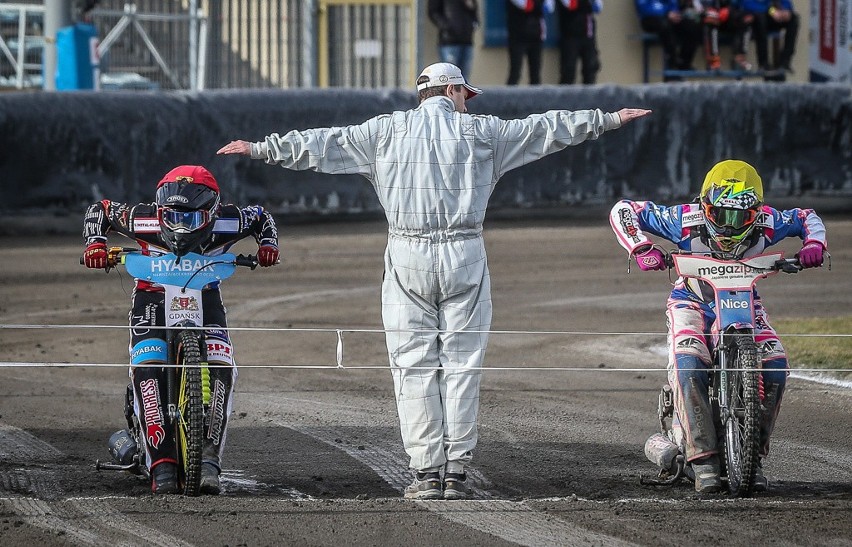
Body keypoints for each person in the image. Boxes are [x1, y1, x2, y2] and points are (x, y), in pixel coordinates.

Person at [217, 62, 651, 500]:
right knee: (462, 364)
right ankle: (457, 469)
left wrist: (260, 149)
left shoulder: (384, 131)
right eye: (466, 94)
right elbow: (546, 129)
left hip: (406, 253)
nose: (468, 102)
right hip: (466, 252)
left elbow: (321, 145)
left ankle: (426, 472)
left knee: (412, 365)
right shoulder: (483, 133)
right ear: (454, 90)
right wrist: (608, 119)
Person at [609, 159, 827, 493]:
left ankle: (752, 455)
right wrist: (641, 246)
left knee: (776, 365)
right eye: (721, 214)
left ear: (757, 212)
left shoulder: (769, 222)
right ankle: (703, 459)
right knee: (688, 363)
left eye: (740, 217)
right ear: (705, 206)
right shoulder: (683, 219)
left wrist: (815, 245)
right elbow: (625, 210)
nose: (729, 225)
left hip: (744, 303)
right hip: (691, 302)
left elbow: (806, 217)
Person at [82, 165, 280, 495]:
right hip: (152, 296)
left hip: (205, 294)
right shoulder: (140, 218)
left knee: (221, 366)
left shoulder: (231, 220)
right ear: (159, 210)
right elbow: (100, 210)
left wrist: (268, 244)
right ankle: (160, 461)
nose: (179, 227)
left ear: (212, 212)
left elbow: (261, 216)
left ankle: (209, 459)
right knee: (147, 367)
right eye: (171, 217)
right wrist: (95, 244)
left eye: (189, 220)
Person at [635, 0, 702, 76]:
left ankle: (684, 62)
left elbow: (673, 4)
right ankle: (672, 63)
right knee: (665, 26)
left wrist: (674, 13)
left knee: (692, 26)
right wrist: (666, 13)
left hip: (668, 17)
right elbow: (644, 9)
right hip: (650, 18)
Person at [740, 0, 799, 74]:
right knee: (760, 18)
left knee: (793, 18)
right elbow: (747, 5)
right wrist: (772, 11)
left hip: (772, 15)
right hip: (754, 18)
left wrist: (785, 11)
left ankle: (785, 63)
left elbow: (786, 3)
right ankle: (763, 64)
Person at [506, 0, 555, 85]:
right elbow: (527, 5)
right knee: (515, 73)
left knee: (535, 74)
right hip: (518, 37)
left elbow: (549, 8)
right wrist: (539, 5)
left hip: (536, 35)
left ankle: (536, 98)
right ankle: (508, 98)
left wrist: (538, 6)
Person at [428, 0, 479, 79]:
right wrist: (446, 27)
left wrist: (473, 23)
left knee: (464, 79)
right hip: (449, 41)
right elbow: (433, 11)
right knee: (450, 77)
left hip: (467, 39)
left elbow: (474, 9)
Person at [556, 0, 602, 85]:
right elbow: (571, 5)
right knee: (568, 71)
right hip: (570, 36)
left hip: (588, 35)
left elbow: (598, 7)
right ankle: (566, 97)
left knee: (590, 69)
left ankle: (589, 97)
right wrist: (587, 4)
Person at [701, 0, 754, 70]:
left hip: (730, 15)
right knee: (709, 22)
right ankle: (713, 60)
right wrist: (712, 12)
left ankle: (740, 58)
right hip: (711, 16)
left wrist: (729, 10)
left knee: (746, 20)